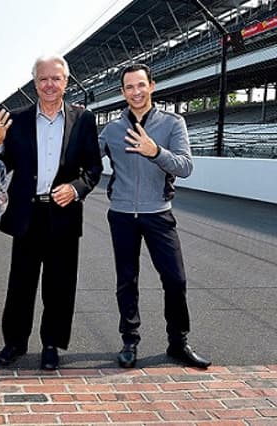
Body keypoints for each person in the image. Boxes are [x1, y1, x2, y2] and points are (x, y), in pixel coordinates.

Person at [0, 54, 103, 370]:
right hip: (27, 214)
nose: (49, 84)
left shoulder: (83, 119)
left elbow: (94, 167)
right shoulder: (17, 119)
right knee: (20, 284)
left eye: (56, 78)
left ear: (66, 82)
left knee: (60, 284)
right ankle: (14, 343)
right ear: (35, 83)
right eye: (43, 79)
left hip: (63, 213)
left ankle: (51, 344)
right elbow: (2, 167)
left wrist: (77, 188)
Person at [99, 63, 211, 369]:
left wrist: (154, 151)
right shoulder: (111, 129)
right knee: (126, 280)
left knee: (175, 280)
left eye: (140, 85)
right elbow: (85, 158)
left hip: (158, 214)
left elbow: (185, 166)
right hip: (121, 214)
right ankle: (129, 341)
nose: (136, 92)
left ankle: (178, 342)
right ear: (122, 92)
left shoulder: (173, 123)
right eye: (129, 87)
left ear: (152, 86)